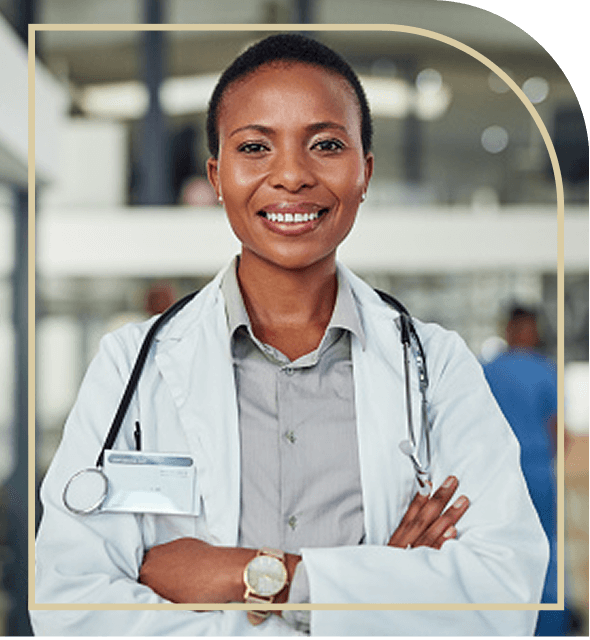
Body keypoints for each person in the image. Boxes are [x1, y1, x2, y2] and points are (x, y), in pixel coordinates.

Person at [32, 34, 548, 637]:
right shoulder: (131, 366)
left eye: (326, 145)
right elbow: (72, 608)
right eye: (255, 147)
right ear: (217, 177)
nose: (292, 175)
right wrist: (376, 589)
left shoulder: (435, 365)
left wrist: (262, 575)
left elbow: (501, 599)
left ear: (365, 173)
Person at [483, 305, 569, 637]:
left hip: (495, 480)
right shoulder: (546, 370)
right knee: (545, 550)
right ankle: (548, 626)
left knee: (498, 550)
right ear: (531, 331)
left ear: (507, 329)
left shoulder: (485, 370)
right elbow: (557, 433)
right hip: (537, 476)